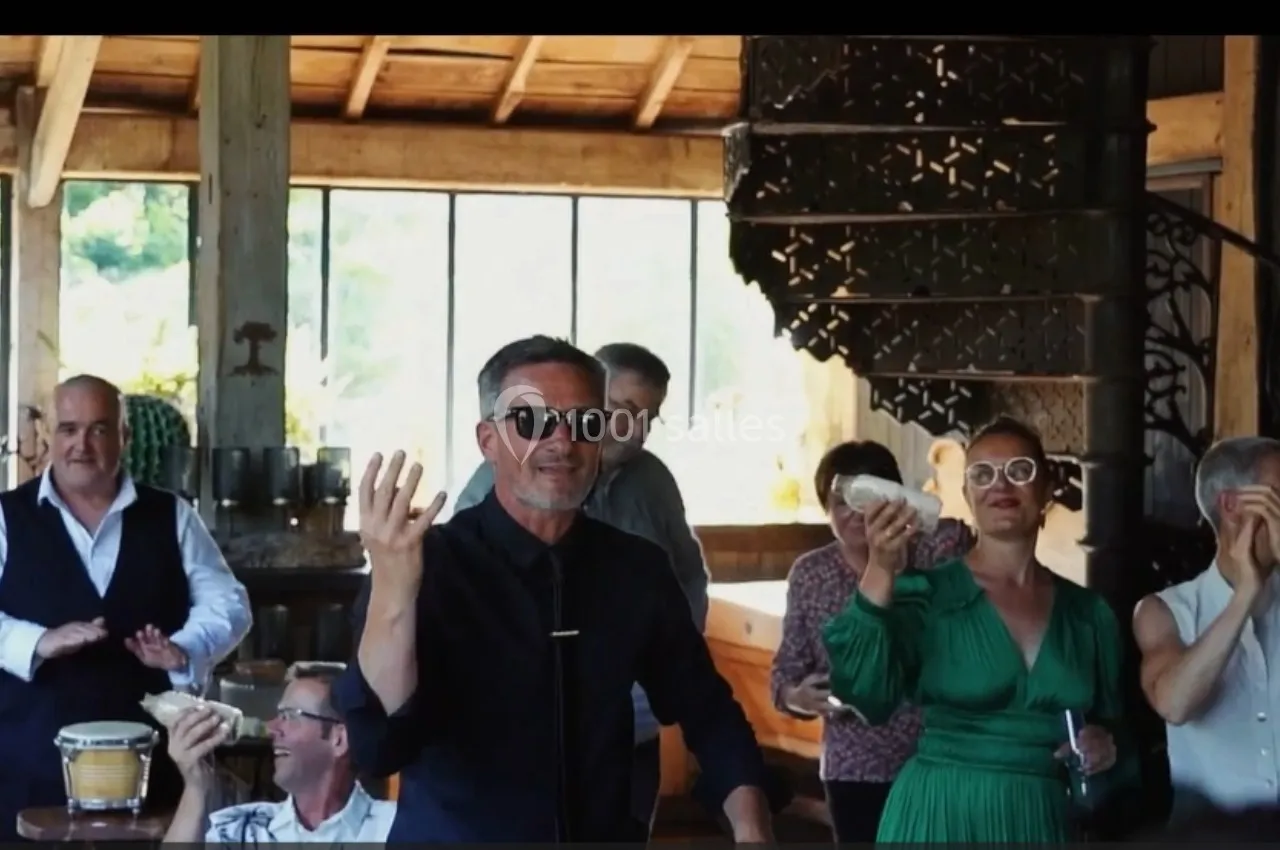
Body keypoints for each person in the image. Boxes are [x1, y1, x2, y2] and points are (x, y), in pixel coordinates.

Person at [333, 335, 772, 842]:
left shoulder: (635, 569)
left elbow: (708, 711)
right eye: (531, 421)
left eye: (585, 423)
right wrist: (393, 590)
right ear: (488, 441)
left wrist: (752, 827)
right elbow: (379, 746)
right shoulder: (431, 564)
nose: (562, 442)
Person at [822, 416, 1132, 842]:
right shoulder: (925, 594)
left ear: (1047, 490)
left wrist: (1107, 747)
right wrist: (881, 568)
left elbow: (1121, 735)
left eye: (1019, 470)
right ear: (967, 495)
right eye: (982, 474)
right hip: (938, 813)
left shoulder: (1089, 614)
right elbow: (865, 695)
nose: (1000, 485)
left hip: (1039, 820)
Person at [453, 341, 708, 832]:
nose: (634, 431)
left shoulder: (653, 480)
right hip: (522, 721)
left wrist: (680, 646)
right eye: (623, 410)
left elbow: (689, 572)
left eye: (648, 418)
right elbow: (464, 581)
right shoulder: (507, 471)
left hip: (635, 714)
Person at [0, 374, 251, 838]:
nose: (81, 445)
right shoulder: (5, 515)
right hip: (24, 780)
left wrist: (184, 648)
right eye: (69, 429)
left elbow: (229, 603)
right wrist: (37, 641)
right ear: (49, 436)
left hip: (156, 785)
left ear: (124, 437)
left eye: (99, 429)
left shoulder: (172, 515)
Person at [771, 440, 973, 843]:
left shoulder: (940, 549)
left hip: (941, 758)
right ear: (826, 510)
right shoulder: (811, 574)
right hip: (856, 767)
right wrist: (799, 697)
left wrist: (907, 531)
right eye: (841, 503)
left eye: (866, 499)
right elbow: (784, 676)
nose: (855, 513)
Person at [1132, 436, 1280, 820]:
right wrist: (1245, 595)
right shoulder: (1165, 610)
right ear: (1232, 506)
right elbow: (1174, 704)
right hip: (1212, 835)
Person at [161, 670, 395, 844]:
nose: (272, 728)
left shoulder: (395, 829)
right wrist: (196, 788)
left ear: (339, 739)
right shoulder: (242, 831)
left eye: (290, 716)